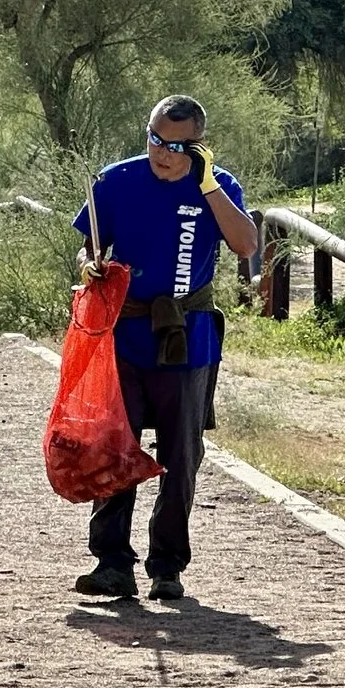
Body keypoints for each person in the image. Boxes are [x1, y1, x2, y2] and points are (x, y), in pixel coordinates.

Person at [70, 95, 261, 601]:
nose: (162, 152)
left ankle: (168, 566)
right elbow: (89, 247)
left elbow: (246, 246)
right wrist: (89, 268)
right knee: (116, 447)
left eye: (177, 145)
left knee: (181, 454)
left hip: (187, 337)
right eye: (155, 138)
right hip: (123, 335)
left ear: (198, 147)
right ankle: (112, 563)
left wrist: (208, 185)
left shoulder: (218, 187)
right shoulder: (116, 180)